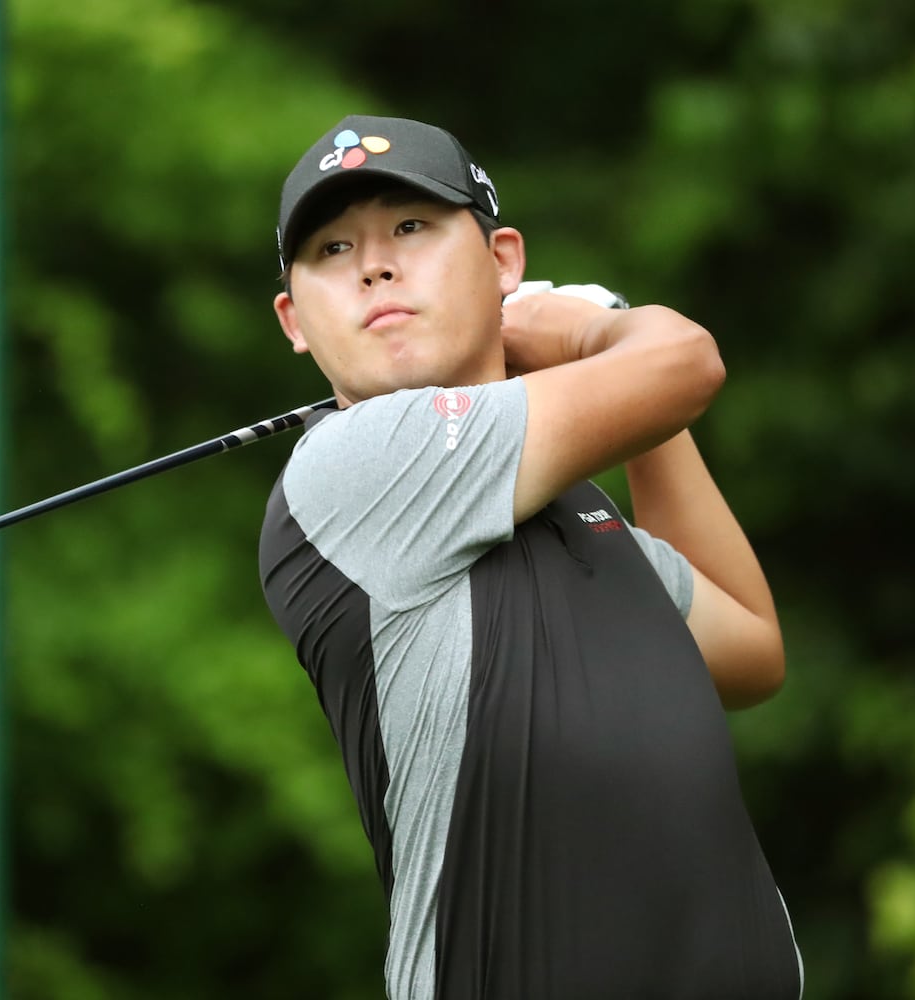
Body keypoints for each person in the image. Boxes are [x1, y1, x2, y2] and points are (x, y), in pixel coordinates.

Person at [258, 115, 803, 999]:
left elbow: (748, 651)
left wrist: (629, 402)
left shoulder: (577, 516)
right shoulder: (354, 463)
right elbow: (687, 362)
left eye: (411, 226)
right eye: (330, 249)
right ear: (295, 319)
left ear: (501, 260)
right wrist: (593, 330)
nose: (374, 264)